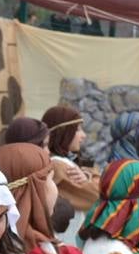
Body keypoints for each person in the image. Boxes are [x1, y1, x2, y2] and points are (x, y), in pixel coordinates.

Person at [40, 104, 98, 242]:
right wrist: (89, 180)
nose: (83, 135)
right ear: (63, 133)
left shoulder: (72, 160)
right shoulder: (58, 165)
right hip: (65, 239)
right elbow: (97, 197)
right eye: (77, 130)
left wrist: (88, 177)